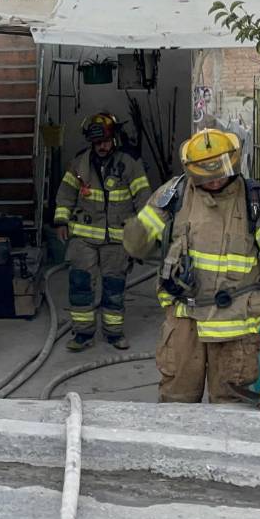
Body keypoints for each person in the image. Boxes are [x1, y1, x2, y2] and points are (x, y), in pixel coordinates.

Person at [123, 128, 260, 403]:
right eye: (205, 177)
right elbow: (136, 246)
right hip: (185, 320)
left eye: (220, 173)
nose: (214, 181)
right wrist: (138, 230)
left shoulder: (255, 201)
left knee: (230, 407)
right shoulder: (175, 195)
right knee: (176, 404)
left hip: (235, 325)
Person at [54, 113, 151, 352]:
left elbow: (143, 197)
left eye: (106, 141)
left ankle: (114, 334)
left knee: (114, 287)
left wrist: (144, 232)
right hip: (83, 238)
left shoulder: (129, 163)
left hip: (116, 239)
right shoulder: (80, 163)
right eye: (97, 143)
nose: (102, 147)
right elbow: (66, 194)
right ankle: (83, 334)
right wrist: (61, 221)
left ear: (114, 138)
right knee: (80, 284)